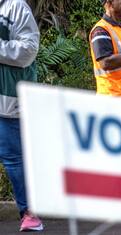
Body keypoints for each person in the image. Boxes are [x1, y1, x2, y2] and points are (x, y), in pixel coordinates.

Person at [0, 0, 43, 231]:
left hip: (9, 100)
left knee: (14, 159)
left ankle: (29, 213)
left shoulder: (16, 7)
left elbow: (28, 51)